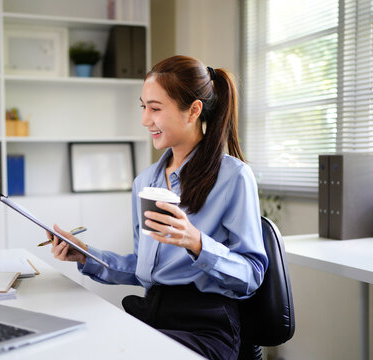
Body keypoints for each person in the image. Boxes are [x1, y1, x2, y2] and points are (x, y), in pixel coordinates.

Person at [46, 55, 268, 360]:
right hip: (154, 315)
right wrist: (86, 255)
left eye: (155, 108)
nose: (144, 120)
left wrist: (197, 242)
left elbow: (252, 276)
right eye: (143, 106)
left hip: (206, 326)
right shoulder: (145, 181)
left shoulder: (233, 177)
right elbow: (144, 268)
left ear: (193, 110)